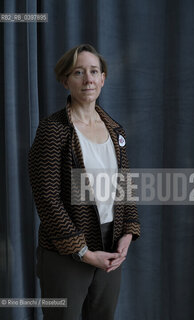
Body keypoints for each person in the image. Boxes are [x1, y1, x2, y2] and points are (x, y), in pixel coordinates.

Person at [28, 44, 140, 320]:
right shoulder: (52, 131)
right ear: (66, 80)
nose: (88, 79)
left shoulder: (115, 130)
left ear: (103, 78)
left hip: (110, 246)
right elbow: (47, 199)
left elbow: (124, 187)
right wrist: (83, 252)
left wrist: (127, 233)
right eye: (79, 72)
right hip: (65, 252)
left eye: (94, 71)